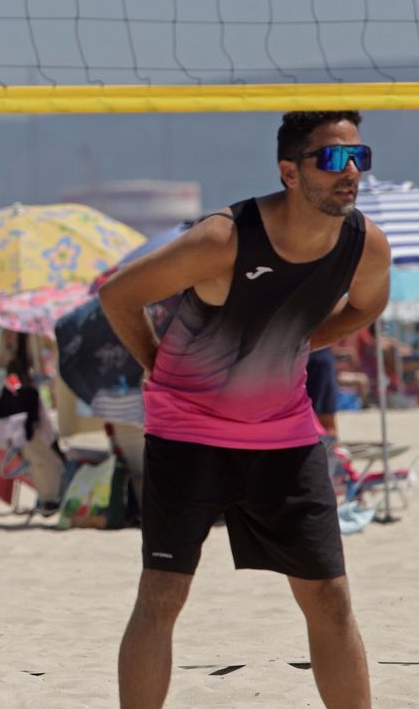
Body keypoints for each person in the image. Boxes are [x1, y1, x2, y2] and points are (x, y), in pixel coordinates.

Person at [99, 111, 390, 709]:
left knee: (330, 598)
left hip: (285, 438)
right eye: (334, 159)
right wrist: (157, 365)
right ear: (289, 171)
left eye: (360, 158)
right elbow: (117, 295)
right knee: (162, 595)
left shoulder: (365, 244)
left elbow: (365, 307)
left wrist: (298, 339)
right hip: (188, 436)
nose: (351, 173)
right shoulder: (223, 238)